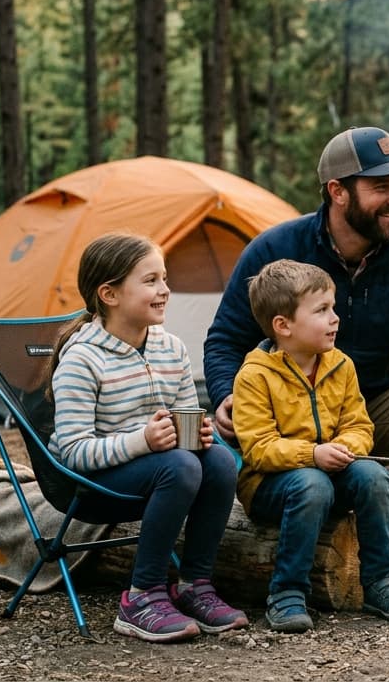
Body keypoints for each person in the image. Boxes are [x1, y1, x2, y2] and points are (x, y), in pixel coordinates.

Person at [204, 126, 389, 593]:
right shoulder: (276, 251)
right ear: (338, 192)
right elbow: (224, 341)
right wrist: (228, 394)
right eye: (381, 186)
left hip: (367, 406)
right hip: (286, 416)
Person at [51, 232, 248, 643]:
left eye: (165, 278)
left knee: (219, 460)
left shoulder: (170, 347)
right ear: (109, 294)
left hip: (156, 466)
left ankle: (195, 585)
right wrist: (144, 440)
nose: (165, 290)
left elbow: (182, 417)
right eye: (151, 281)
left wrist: (198, 432)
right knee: (178, 465)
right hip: (91, 481)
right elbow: (71, 452)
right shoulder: (82, 358)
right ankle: (141, 597)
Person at [234, 259, 389, 632]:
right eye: (322, 310)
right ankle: (286, 592)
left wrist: (346, 446)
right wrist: (312, 455)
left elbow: (358, 424)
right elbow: (258, 448)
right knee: (312, 483)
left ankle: (380, 581)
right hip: (271, 485)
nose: (335, 318)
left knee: (373, 476)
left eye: (333, 307)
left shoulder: (340, 365)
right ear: (283, 326)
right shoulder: (255, 375)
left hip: (328, 471)